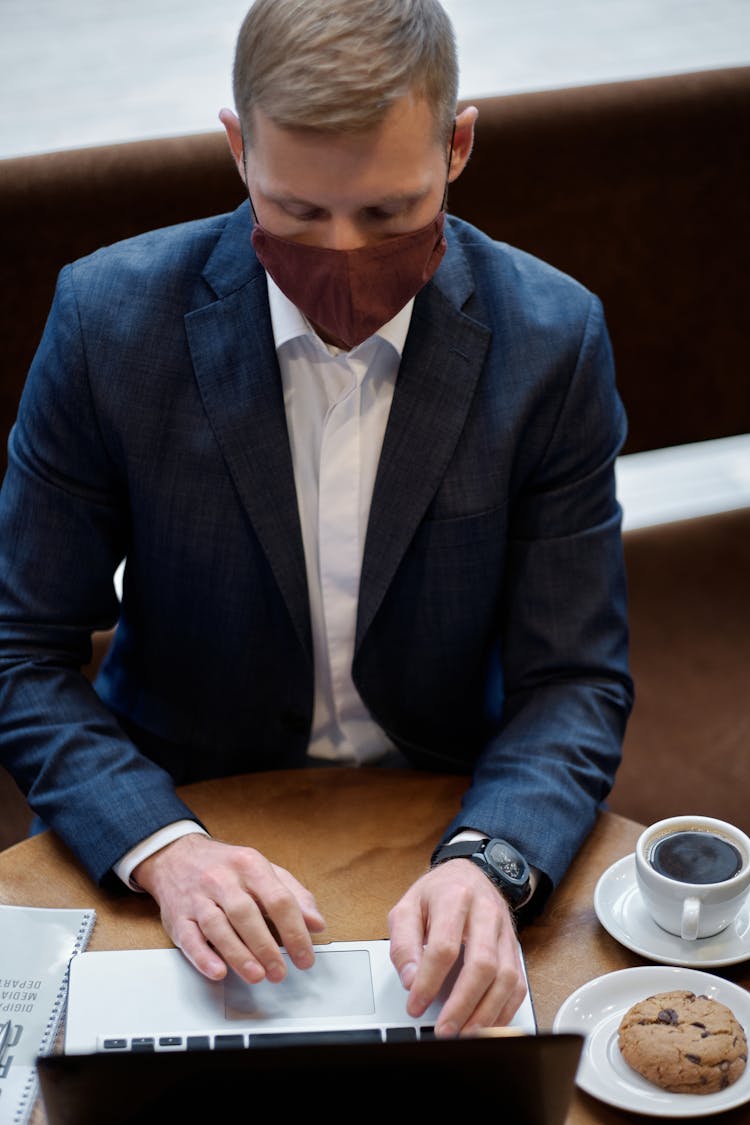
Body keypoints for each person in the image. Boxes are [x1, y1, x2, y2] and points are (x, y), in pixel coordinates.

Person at [0, 0, 632, 1037]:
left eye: (388, 214)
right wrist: (164, 846)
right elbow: (19, 647)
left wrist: (491, 861)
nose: (345, 257)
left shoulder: (552, 340)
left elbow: (574, 678)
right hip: (175, 805)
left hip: (448, 804)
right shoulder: (106, 323)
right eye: (297, 214)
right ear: (237, 148)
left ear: (458, 146)